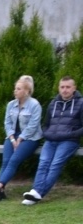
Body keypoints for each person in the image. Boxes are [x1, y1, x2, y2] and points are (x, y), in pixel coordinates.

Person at [22, 76, 83, 205]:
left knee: (55, 164)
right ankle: (35, 193)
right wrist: (47, 133)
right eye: (62, 87)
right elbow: (46, 124)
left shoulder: (81, 103)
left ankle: (38, 193)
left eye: (68, 87)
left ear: (74, 88)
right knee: (43, 163)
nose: (65, 90)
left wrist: (71, 134)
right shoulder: (53, 103)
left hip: (69, 141)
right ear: (59, 88)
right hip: (51, 141)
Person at [0, 76, 43, 201]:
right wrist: (13, 138)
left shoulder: (35, 105)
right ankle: (0, 191)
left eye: (18, 89)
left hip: (31, 138)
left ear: (26, 91)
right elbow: (7, 123)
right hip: (13, 136)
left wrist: (21, 138)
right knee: (6, 161)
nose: (15, 91)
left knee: (14, 160)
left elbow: (33, 126)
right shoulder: (10, 105)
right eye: (15, 88)